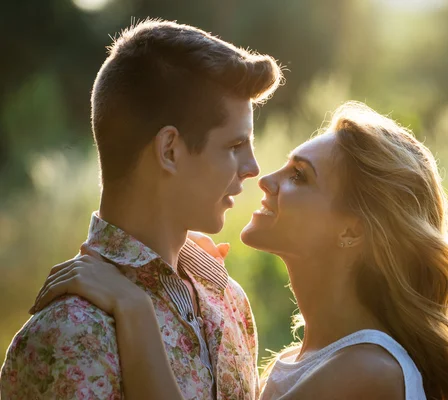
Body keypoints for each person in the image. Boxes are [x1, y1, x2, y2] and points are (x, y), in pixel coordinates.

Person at [26, 102, 448, 399]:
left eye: (300, 177)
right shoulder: (304, 358)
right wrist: (177, 263)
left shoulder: (367, 372)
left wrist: (134, 307)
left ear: (352, 232)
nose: (265, 179)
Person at [0, 19, 282, 400]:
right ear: (169, 150)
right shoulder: (72, 333)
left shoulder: (226, 299)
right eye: (235, 146)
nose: (253, 168)